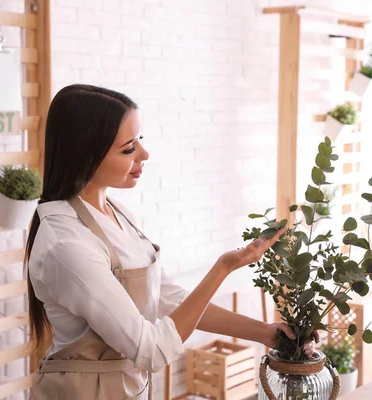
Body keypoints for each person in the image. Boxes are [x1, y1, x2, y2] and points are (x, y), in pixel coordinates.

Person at [26, 84, 317, 399]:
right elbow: (151, 350)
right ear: (86, 154)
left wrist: (262, 332)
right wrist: (224, 267)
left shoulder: (115, 213)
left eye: (140, 141)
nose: (144, 154)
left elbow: (167, 300)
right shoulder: (67, 245)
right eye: (128, 148)